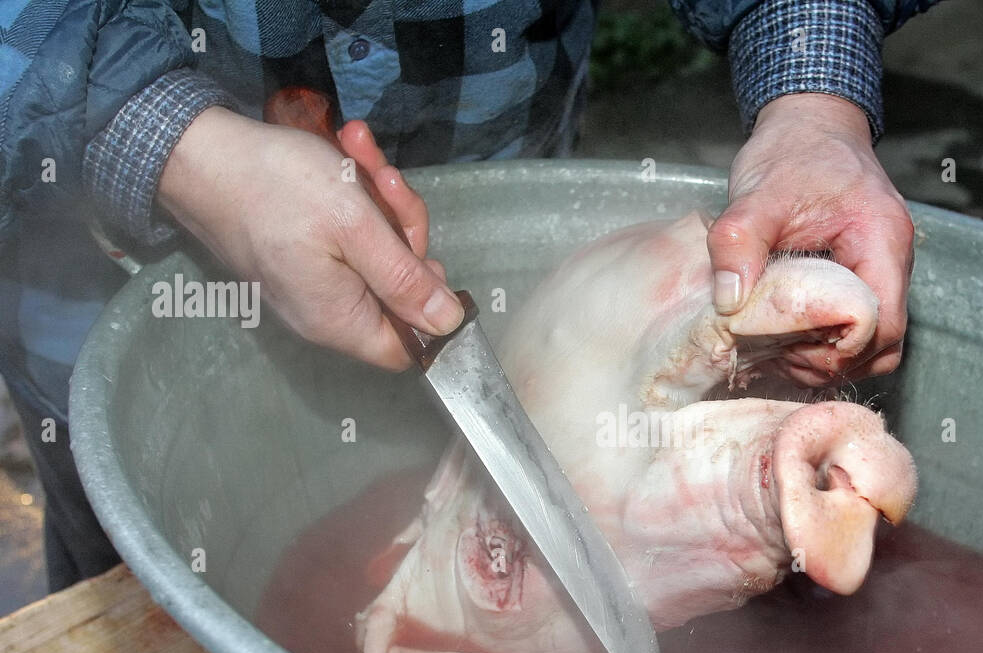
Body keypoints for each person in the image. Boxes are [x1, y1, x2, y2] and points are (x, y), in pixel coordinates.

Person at [0, 0, 935, 592]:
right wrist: (174, 142)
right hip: (105, 291)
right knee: (146, 621)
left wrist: (814, 98)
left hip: (521, 282)